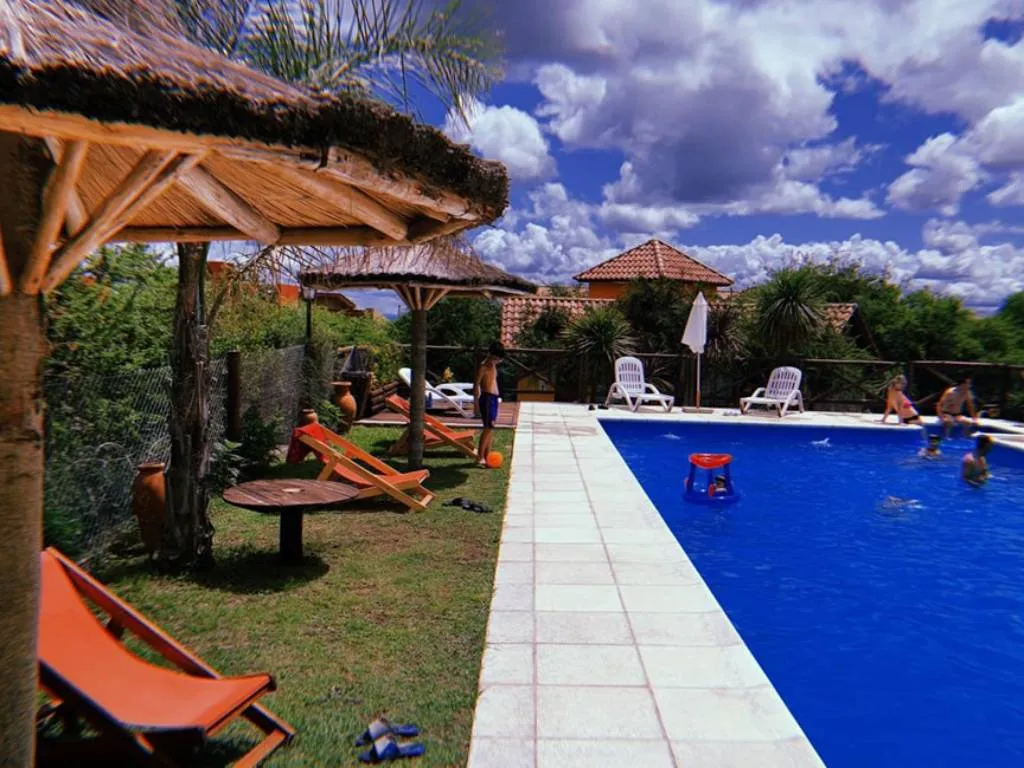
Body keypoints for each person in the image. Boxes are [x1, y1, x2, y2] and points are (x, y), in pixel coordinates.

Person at [474, 341, 505, 468]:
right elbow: (476, 385)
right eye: (495, 358)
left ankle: (487, 456)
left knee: (491, 428)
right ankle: (480, 457)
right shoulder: (484, 366)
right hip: (487, 398)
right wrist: (476, 405)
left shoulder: (493, 364)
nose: (497, 360)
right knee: (488, 427)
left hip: (493, 398)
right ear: (490, 354)